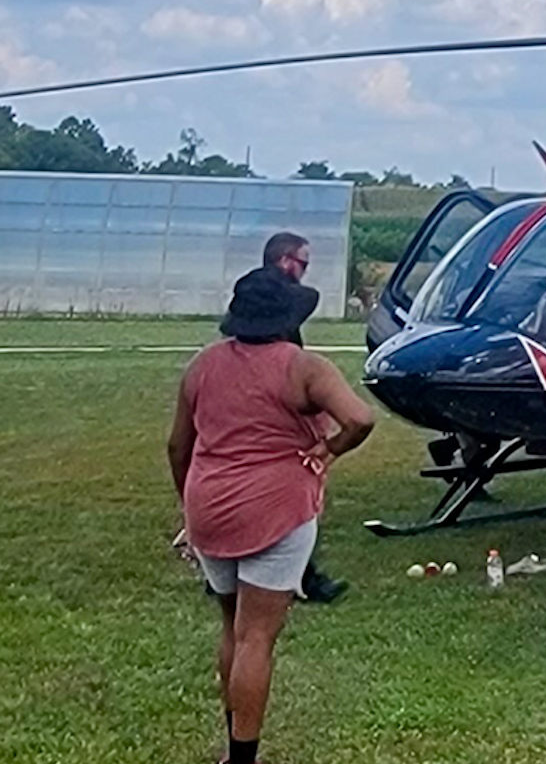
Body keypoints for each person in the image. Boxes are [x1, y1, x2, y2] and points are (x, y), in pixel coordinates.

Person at [170, 268, 375, 764]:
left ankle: (230, 742)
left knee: (231, 628)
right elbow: (361, 418)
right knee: (256, 637)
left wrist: (189, 508)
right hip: (276, 509)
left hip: (209, 508)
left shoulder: (202, 366)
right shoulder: (305, 367)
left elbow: (179, 445)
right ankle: (243, 759)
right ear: (288, 317)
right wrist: (328, 450)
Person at [259, 232, 348, 605]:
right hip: (277, 398)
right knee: (296, 487)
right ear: (285, 262)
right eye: (303, 263)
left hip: (260, 395)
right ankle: (305, 578)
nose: (305, 272)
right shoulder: (279, 303)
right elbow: (306, 300)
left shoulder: (254, 303)